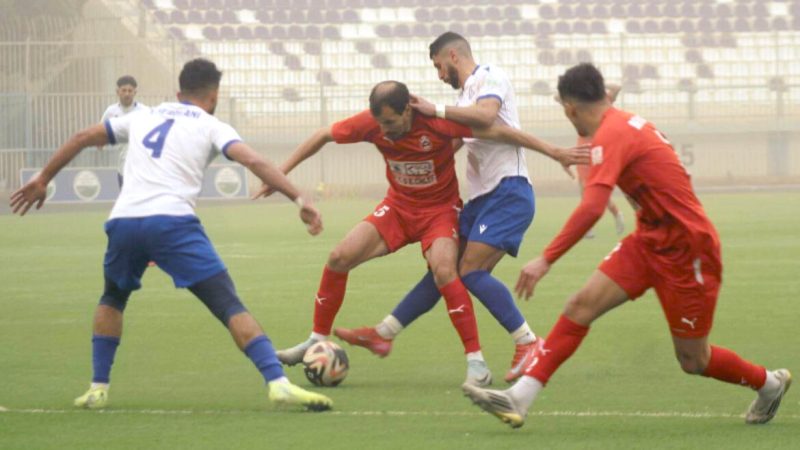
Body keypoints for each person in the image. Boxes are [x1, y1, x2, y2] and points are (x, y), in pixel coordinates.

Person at [461, 63, 791, 428]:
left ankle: (770, 384)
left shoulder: (613, 133)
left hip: (688, 250)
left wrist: (545, 259)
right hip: (649, 240)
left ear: (570, 109)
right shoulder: (619, 125)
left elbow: (592, 206)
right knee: (580, 305)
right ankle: (519, 398)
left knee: (694, 360)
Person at [10, 58, 333, 412]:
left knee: (113, 297)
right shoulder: (212, 125)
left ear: (179, 93)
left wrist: (43, 179)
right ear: (214, 96)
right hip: (172, 223)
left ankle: (97, 388)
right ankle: (278, 382)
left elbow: (82, 137)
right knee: (227, 304)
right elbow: (254, 162)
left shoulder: (142, 116)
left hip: (124, 222)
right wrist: (299, 198)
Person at [263, 80, 588, 386]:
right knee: (338, 257)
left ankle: (476, 362)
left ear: (407, 110)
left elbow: (502, 132)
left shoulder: (436, 122)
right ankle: (316, 340)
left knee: (446, 271)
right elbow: (323, 135)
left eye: (390, 123)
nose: (385, 132)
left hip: (439, 212)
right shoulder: (371, 123)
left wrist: (554, 151)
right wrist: (280, 174)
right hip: (398, 208)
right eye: (380, 125)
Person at [333, 32, 576, 384]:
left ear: (452, 55)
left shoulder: (488, 77)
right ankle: (383, 333)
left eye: (438, 66)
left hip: (508, 191)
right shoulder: (465, 96)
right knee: (444, 271)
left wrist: (437, 110)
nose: (438, 75)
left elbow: (489, 119)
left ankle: (529, 342)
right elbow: (454, 141)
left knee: (471, 272)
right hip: (482, 198)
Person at [562, 84, 625, 239]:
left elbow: (617, 88)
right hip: (584, 146)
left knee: (591, 189)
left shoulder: (599, 101)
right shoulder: (578, 102)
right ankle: (594, 224)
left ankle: (603, 219)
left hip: (591, 147)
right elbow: (558, 97)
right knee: (586, 189)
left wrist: (599, 85)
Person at [99, 75, 149, 187]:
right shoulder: (111, 111)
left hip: (142, 169)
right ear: (118, 92)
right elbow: (100, 131)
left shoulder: (144, 111)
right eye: (124, 90)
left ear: (135, 92)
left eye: (130, 91)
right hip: (123, 168)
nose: (127, 93)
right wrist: (100, 142)